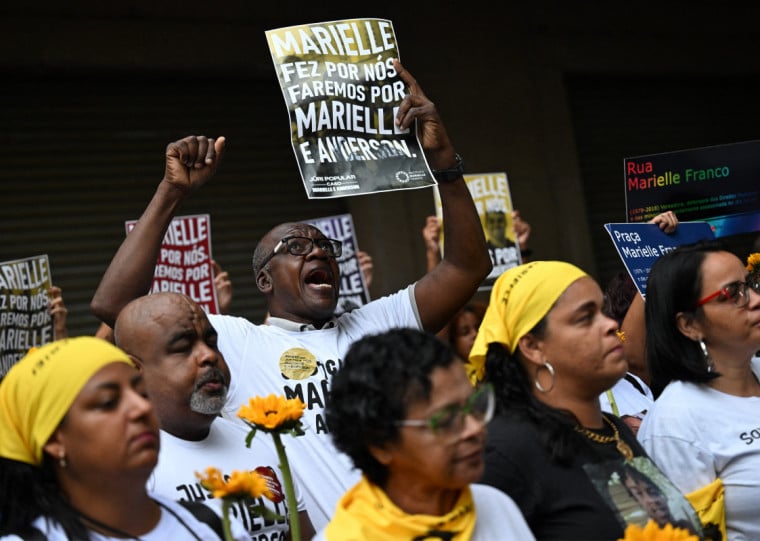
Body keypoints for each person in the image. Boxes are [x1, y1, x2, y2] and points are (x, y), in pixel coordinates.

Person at [90, 58, 492, 531]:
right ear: (264, 281)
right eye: (297, 247)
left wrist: (443, 162)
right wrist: (170, 193)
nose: (317, 253)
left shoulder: (378, 325)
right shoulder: (234, 345)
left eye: (325, 246)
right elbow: (118, 309)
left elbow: (468, 266)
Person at [469, 261, 703, 540]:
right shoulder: (504, 452)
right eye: (585, 318)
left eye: (604, 312)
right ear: (532, 347)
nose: (611, 325)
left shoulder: (615, 429)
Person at [0, 336, 248, 540]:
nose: (141, 408)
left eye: (142, 393)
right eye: (108, 402)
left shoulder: (212, 525)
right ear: (54, 441)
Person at [113, 291, 315, 541]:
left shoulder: (261, 441)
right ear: (135, 372)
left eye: (211, 342)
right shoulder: (126, 474)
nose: (209, 356)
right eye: (183, 348)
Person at [315, 327, 535, 540]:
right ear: (380, 444)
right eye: (447, 420)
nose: (475, 428)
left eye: (474, 406)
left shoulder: (496, 506)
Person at [637, 239, 760, 540]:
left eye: (751, 284)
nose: (755, 299)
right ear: (689, 325)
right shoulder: (675, 422)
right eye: (733, 294)